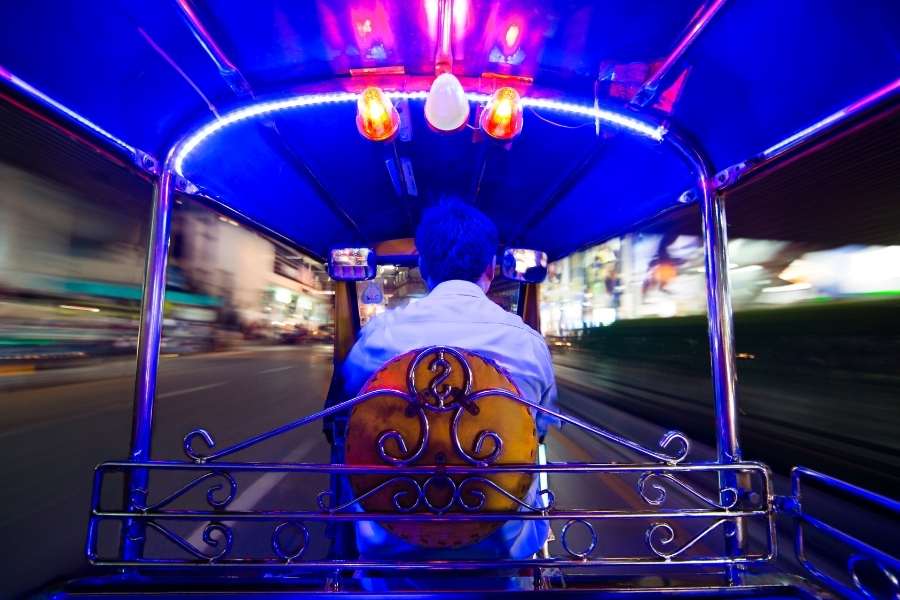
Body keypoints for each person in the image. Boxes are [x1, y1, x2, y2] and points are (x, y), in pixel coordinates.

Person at [340, 197, 558, 573]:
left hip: (388, 555)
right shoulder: (527, 345)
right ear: (491, 268)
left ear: (423, 265)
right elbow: (537, 431)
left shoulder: (377, 338)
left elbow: (350, 426)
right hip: (500, 556)